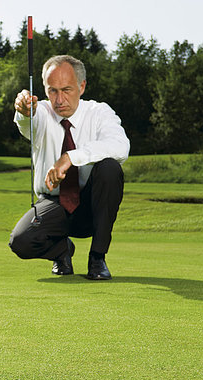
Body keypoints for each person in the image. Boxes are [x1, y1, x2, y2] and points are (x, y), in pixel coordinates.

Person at [9, 55, 130, 280]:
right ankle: (63, 250)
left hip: (92, 206)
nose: (59, 99)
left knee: (110, 168)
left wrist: (70, 158)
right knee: (20, 242)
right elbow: (28, 121)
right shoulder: (41, 112)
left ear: (82, 86)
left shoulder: (100, 112)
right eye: (52, 90)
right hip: (54, 205)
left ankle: (97, 258)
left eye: (67, 89)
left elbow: (121, 146)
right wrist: (24, 111)